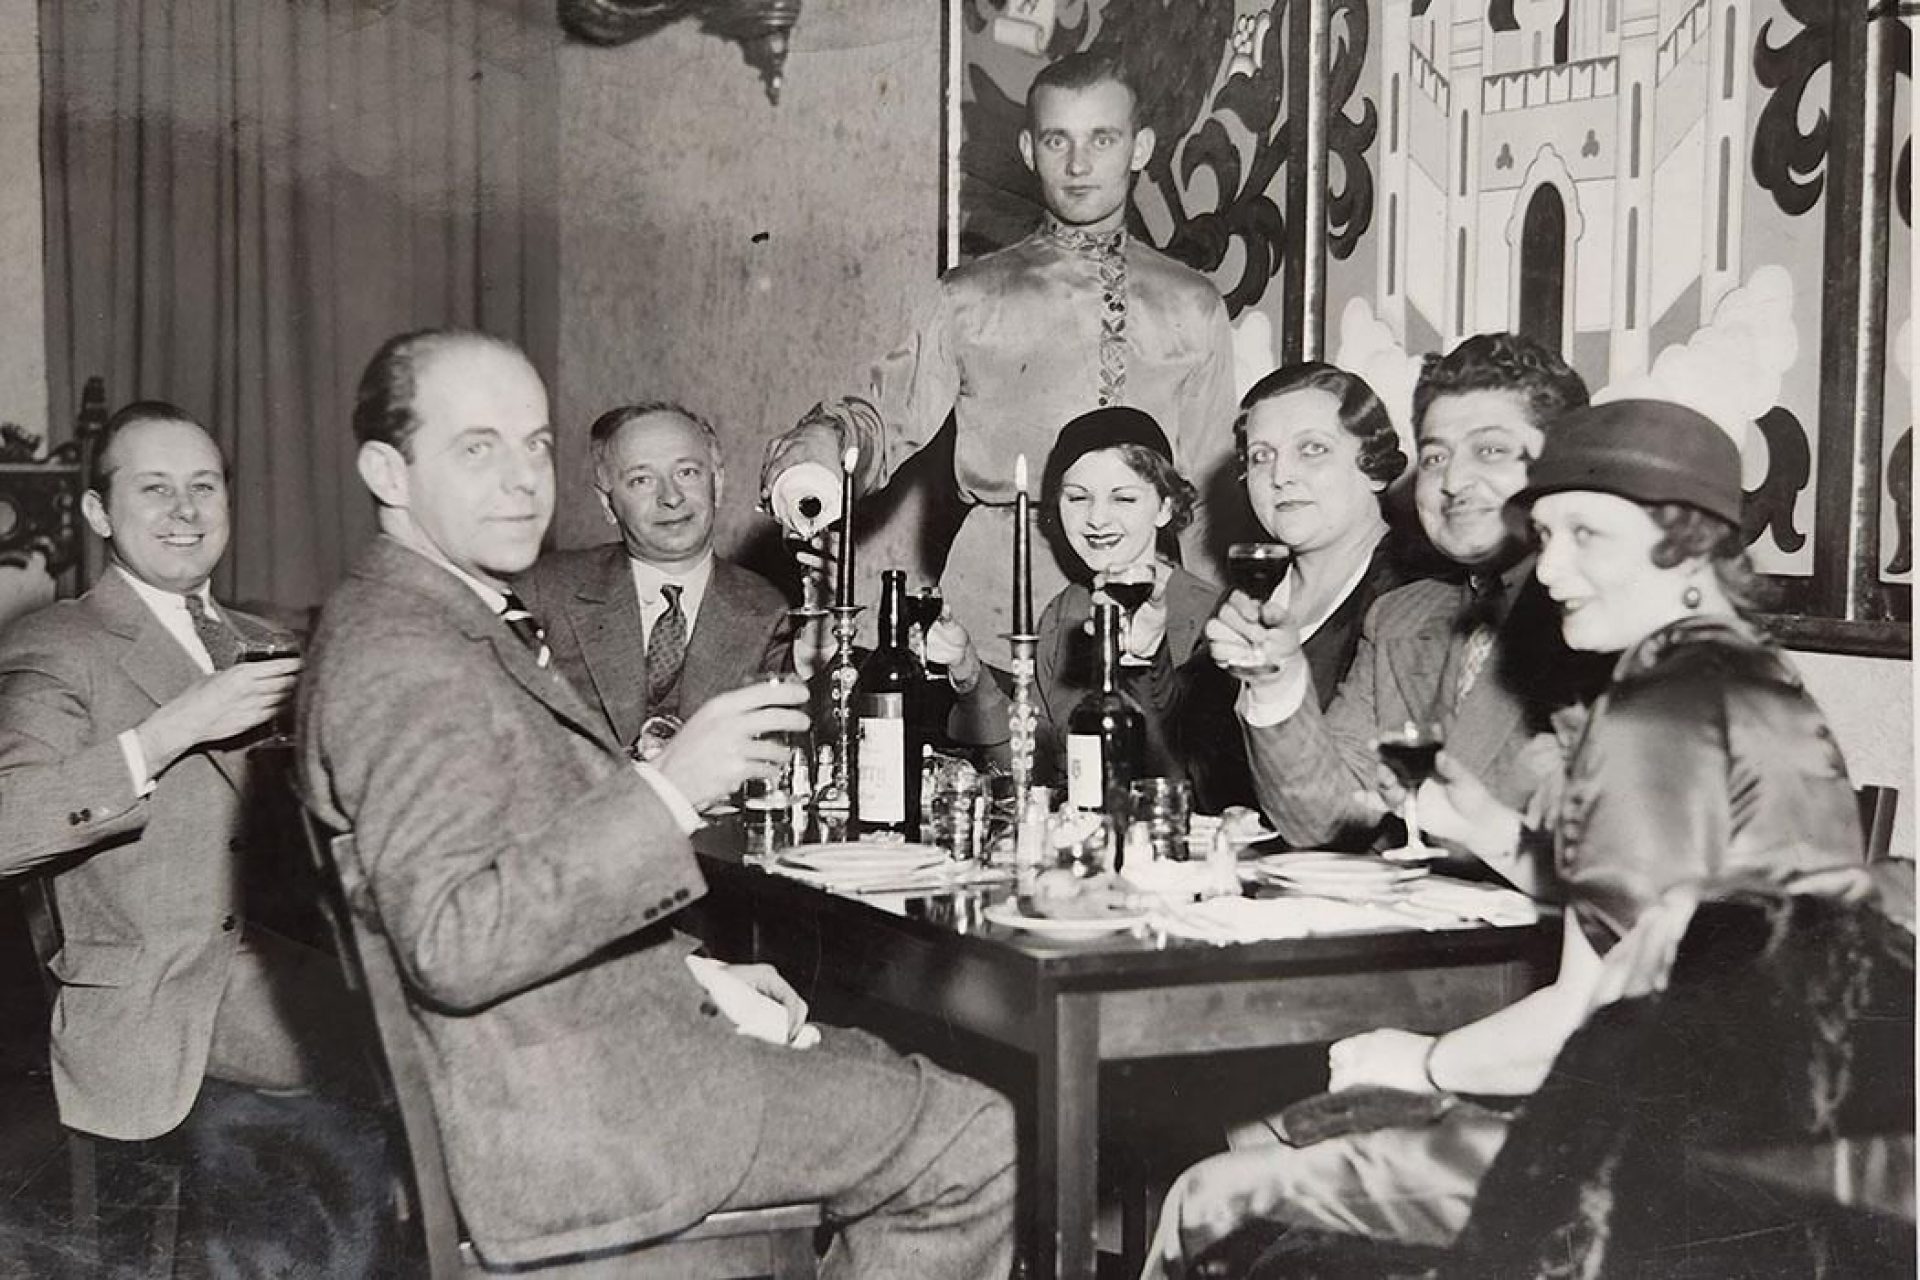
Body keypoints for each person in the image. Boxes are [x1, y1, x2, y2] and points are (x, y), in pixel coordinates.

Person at [299, 329, 1015, 1277]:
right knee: (975, 1136)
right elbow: (456, 941)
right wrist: (670, 792)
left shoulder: (419, 615)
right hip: (582, 1118)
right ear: (388, 471)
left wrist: (698, 978)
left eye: (535, 444)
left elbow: (503, 868)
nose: (521, 481)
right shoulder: (407, 658)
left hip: (583, 1051)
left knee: (893, 1076)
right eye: (478, 449)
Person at [1146, 398, 1866, 1278]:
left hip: (1654, 1174)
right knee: (1292, 1130)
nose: (1552, 570)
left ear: (1687, 543)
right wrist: (1490, 827)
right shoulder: (1752, 678)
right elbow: (1665, 913)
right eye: (1548, 536)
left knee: (1209, 1198)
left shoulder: (1650, 716)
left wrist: (1423, 1060)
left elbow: (1586, 1018)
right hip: (1788, 1147)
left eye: (1586, 538)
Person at [0, 401, 386, 1269]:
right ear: (101, 514)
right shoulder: (60, 644)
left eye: (203, 487)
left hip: (287, 970)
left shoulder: (267, 642)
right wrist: (171, 730)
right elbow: (8, 828)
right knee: (412, 1063)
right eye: (155, 489)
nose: (185, 511)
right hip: (158, 996)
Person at [760, 47, 1236, 670]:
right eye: (1057, 140)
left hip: (1142, 609)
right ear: (1027, 150)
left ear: (1140, 148)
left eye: (1102, 138)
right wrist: (820, 446)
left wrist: (1201, 635)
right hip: (992, 610)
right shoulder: (968, 295)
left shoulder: (1194, 303)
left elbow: (1201, 492)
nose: (1079, 163)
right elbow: (881, 420)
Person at [1206, 332, 1603, 875]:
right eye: (1437, 456)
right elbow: (1319, 820)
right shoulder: (1402, 616)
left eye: (1490, 450)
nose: (1454, 480)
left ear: (1564, 462)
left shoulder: (1610, 621)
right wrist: (1277, 681)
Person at [930, 405, 1219, 785]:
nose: (1097, 519)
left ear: (1165, 507)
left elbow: (1202, 779)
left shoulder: (1209, 616)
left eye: (1123, 499)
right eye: (1078, 498)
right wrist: (968, 672)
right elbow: (1029, 766)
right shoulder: (1065, 612)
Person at [1175, 364, 1412, 812]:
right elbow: (1187, 759)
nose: (1281, 474)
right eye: (1262, 455)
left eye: (1313, 449)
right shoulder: (1248, 598)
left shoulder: (1412, 599)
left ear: (1375, 469)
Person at [516, 402, 793, 749]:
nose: (671, 497)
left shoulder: (769, 611)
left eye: (687, 472)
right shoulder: (546, 591)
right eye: (641, 480)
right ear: (607, 503)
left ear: (717, 483)